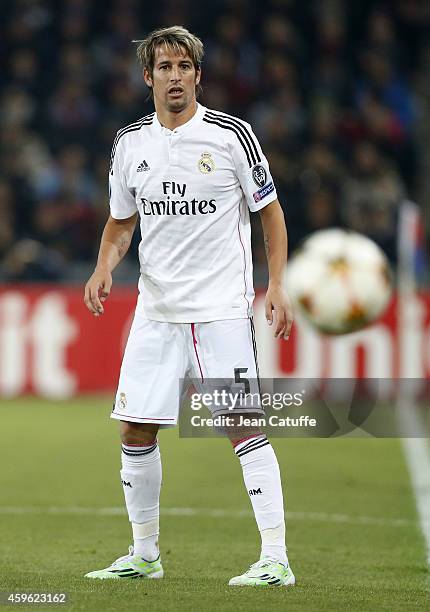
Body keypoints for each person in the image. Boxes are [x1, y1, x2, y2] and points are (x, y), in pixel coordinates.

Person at [83, 25, 294, 587]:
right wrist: (105, 265)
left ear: (198, 75)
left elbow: (268, 212)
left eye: (184, 67)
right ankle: (144, 553)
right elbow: (121, 222)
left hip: (220, 309)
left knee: (241, 423)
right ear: (147, 76)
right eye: (164, 67)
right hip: (156, 311)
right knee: (134, 428)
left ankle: (276, 558)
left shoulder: (232, 136)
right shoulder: (130, 144)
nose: (174, 77)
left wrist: (276, 283)